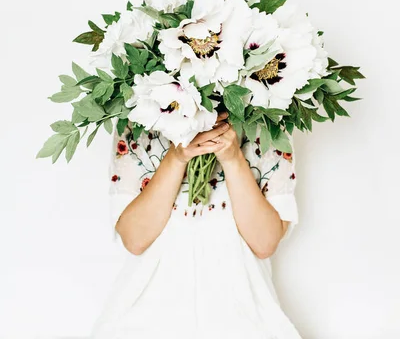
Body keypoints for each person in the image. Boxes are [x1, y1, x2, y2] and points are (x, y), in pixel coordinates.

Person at [90, 111, 302, 339]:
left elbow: (264, 243)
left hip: (243, 319)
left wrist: (232, 158)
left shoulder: (269, 117)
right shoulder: (138, 116)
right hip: (146, 320)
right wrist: (177, 156)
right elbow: (134, 240)